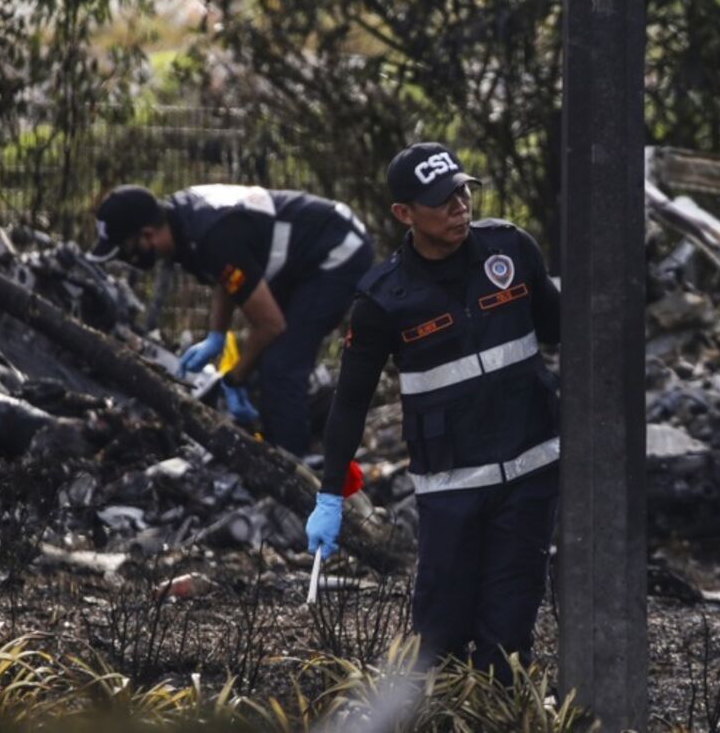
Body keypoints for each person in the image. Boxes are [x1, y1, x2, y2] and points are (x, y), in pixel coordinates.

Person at [305, 141, 561, 679]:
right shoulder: (382, 300)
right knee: (439, 634)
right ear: (404, 213)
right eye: (443, 199)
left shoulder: (511, 251)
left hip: (529, 476)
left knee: (508, 635)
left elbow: (565, 332)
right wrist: (330, 491)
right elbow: (350, 399)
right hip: (450, 488)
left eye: (463, 191)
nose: (459, 205)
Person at [88, 183, 374, 454]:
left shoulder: (211, 235)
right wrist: (217, 335)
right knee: (266, 360)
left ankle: (296, 469)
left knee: (281, 364)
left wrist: (235, 379)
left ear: (147, 235)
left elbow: (271, 324)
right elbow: (223, 275)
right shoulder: (182, 222)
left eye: (126, 250)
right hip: (306, 255)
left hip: (337, 252)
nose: (128, 259)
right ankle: (292, 437)